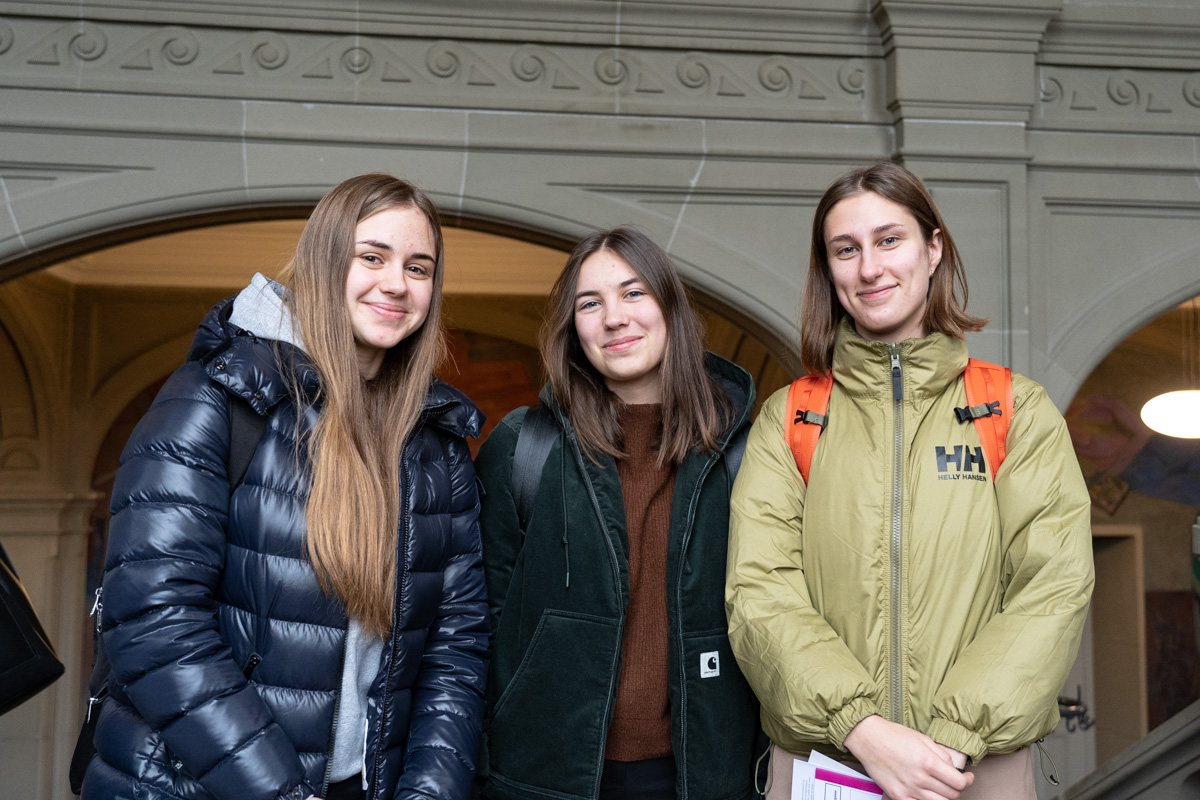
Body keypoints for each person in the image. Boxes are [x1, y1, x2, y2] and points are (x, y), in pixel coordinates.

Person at [81, 174, 488, 800]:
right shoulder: (216, 401)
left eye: (420, 267)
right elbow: (153, 623)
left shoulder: (436, 442)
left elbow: (454, 647)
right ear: (325, 263)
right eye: (372, 257)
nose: (397, 284)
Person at [725, 162, 1094, 800]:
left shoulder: (1014, 408)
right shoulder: (791, 417)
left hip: (974, 768)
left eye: (889, 240)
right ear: (829, 270)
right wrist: (864, 729)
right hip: (827, 763)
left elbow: (1053, 587)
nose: (869, 268)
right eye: (847, 249)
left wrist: (943, 747)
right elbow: (760, 593)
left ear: (933, 248)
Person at [474, 227, 765, 800]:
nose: (614, 318)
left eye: (634, 294)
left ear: (670, 308)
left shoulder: (742, 456)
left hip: (701, 777)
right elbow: (480, 623)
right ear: (572, 328)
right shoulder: (523, 448)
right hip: (545, 777)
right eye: (590, 303)